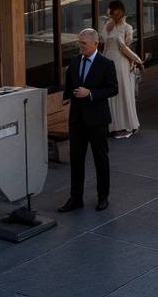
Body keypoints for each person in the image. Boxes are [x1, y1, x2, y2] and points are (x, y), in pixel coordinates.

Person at [59, 28, 118, 213]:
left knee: (100, 158)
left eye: (84, 43)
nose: (80, 46)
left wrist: (90, 94)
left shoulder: (106, 64)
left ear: (95, 44)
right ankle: (76, 197)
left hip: (97, 119)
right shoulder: (75, 61)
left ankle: (103, 196)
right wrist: (67, 96)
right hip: (77, 118)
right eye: (79, 42)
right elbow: (70, 83)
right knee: (76, 160)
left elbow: (113, 89)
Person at [101, 0, 143, 138]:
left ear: (122, 11)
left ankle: (123, 125)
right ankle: (110, 124)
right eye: (113, 10)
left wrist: (137, 60)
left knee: (121, 90)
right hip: (107, 60)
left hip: (120, 61)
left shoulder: (127, 28)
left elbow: (125, 47)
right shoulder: (107, 25)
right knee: (109, 90)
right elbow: (104, 44)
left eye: (117, 10)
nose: (115, 13)